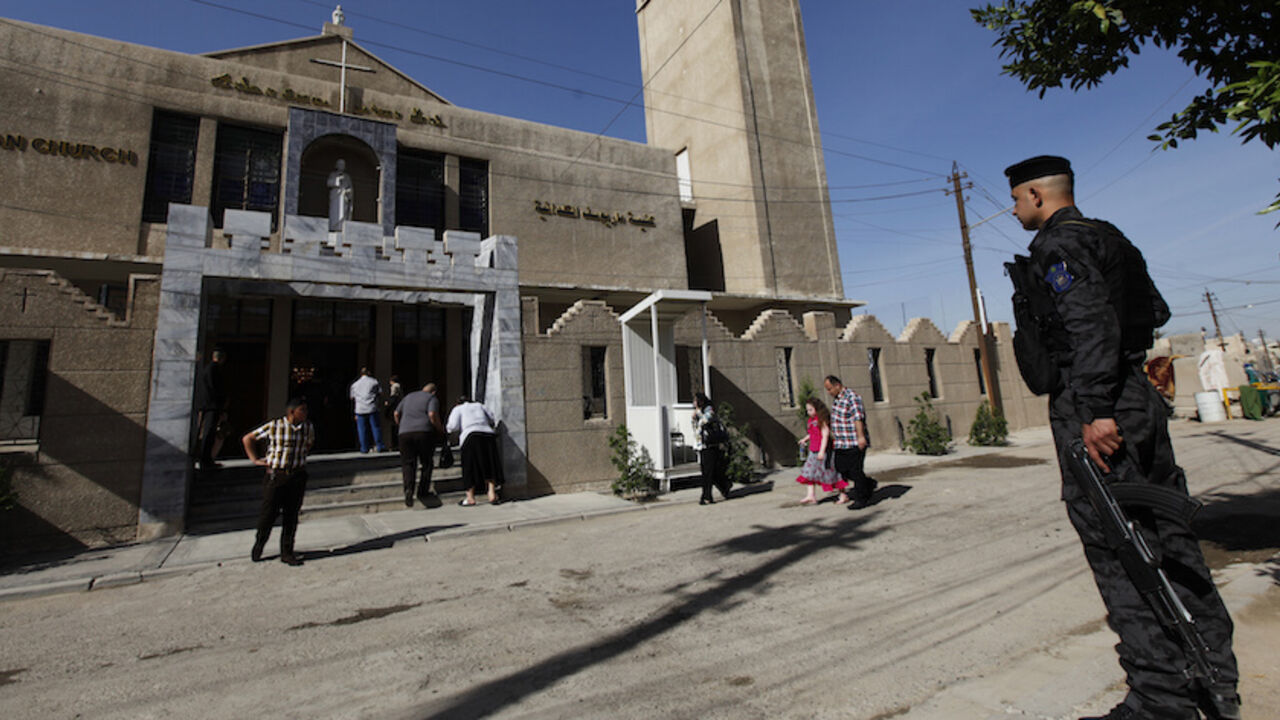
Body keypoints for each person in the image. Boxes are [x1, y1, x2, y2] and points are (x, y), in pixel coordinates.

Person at [1004, 155, 1239, 720]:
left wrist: (1095, 408)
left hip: (1097, 406)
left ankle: (1161, 699)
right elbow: (1152, 308)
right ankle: (1214, 675)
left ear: (1037, 194)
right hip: (1136, 396)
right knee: (1170, 537)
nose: (1012, 210)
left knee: (1119, 547)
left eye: (1015, 200)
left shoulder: (1058, 246)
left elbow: (1089, 324)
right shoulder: (1111, 238)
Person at [241, 397, 315, 567]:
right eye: (302, 410)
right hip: (277, 476)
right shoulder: (275, 426)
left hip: (297, 474)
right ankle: (259, 544)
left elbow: (308, 445)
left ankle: (287, 552)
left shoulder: (308, 427)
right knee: (268, 514)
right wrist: (256, 459)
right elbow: (248, 438)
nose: (305, 413)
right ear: (292, 412)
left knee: (291, 515)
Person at [824, 375, 875, 507]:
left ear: (837, 385)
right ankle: (867, 484)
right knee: (841, 468)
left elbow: (858, 418)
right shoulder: (837, 400)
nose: (829, 392)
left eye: (830, 389)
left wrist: (861, 437)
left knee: (855, 470)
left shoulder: (852, 397)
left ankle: (861, 499)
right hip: (841, 442)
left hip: (853, 441)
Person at [394, 382, 444, 508]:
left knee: (408, 463)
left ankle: (408, 489)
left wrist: (401, 425)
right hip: (424, 432)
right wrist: (440, 429)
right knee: (426, 463)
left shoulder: (408, 397)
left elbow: (396, 413)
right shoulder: (431, 398)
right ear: (433, 392)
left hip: (404, 433)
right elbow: (432, 415)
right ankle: (423, 491)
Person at [445, 396, 502, 506]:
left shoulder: (458, 409)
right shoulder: (480, 405)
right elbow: (491, 418)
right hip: (487, 435)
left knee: (469, 466)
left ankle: (470, 497)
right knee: (489, 463)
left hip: (470, 436)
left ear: (458, 403)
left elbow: (451, 426)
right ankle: (492, 494)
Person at [795, 396, 847, 505]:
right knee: (809, 472)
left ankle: (843, 494)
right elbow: (812, 433)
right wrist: (805, 439)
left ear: (817, 409)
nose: (808, 412)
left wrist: (822, 451)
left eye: (810, 409)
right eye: (807, 410)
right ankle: (811, 495)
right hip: (813, 450)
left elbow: (825, 434)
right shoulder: (811, 420)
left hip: (823, 451)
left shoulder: (821, 419)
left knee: (831, 473)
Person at [691, 392, 732, 505]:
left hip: (710, 445)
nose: (694, 403)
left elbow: (706, 420)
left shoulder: (708, 409)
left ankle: (707, 496)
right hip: (702, 445)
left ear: (700, 401)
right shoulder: (697, 413)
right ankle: (724, 486)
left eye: (695, 401)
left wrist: (698, 413)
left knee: (708, 473)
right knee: (709, 472)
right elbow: (696, 428)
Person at [193, 347, 227, 471]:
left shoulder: (207, 369)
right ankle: (205, 459)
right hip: (211, 406)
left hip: (207, 405)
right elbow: (215, 388)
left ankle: (205, 458)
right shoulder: (213, 370)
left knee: (208, 432)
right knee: (208, 432)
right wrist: (220, 405)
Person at [349, 367, 386, 453]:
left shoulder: (355, 384)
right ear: (369, 373)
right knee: (375, 427)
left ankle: (364, 448)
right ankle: (379, 446)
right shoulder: (374, 382)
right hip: (372, 407)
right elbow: (380, 393)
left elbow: (352, 398)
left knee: (362, 429)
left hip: (360, 408)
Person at [327, 158, 353, 231]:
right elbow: (328, 183)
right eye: (340, 164)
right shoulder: (333, 174)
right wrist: (337, 180)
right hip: (336, 197)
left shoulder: (347, 177)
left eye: (343, 165)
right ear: (337, 165)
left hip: (344, 198)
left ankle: (342, 228)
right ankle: (333, 228)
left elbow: (350, 188)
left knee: (343, 213)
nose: (341, 166)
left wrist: (348, 191)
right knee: (335, 213)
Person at [384, 374, 404, 448]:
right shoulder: (399, 387)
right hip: (399, 408)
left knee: (395, 427)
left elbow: (393, 397)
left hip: (394, 409)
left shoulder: (395, 387)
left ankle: (395, 444)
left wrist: (387, 403)